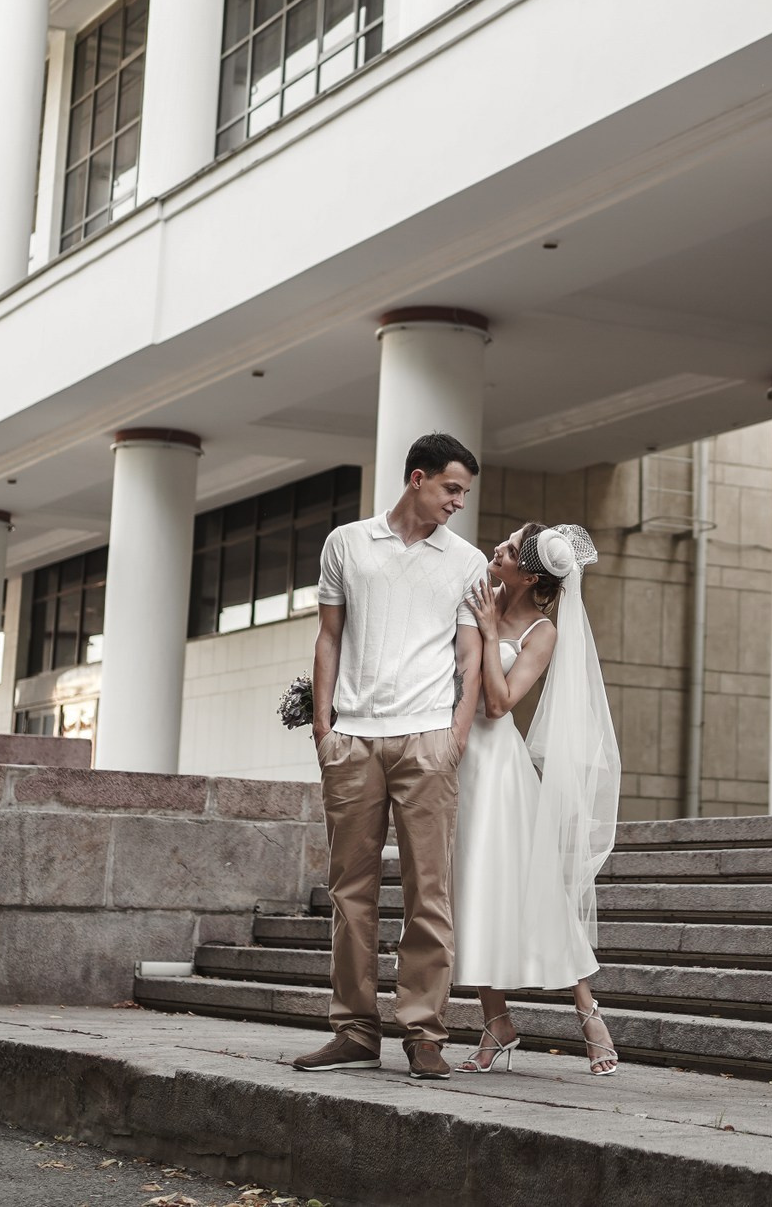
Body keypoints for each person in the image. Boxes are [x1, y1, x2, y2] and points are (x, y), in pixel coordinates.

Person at [291, 432, 486, 1080]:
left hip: (427, 738)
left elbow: (469, 653)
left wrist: (455, 733)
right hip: (354, 739)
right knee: (352, 892)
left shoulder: (466, 561)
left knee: (431, 891)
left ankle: (424, 1031)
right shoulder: (347, 543)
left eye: (464, 491)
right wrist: (324, 728)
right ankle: (353, 1028)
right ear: (418, 478)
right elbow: (329, 635)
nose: (459, 501)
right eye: (452, 488)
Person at [450, 521, 622, 1077]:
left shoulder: (542, 632)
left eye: (507, 548)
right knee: (467, 889)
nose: (495, 548)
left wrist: (482, 629)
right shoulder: (473, 592)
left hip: (499, 767)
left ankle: (589, 1015)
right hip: (454, 760)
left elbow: (500, 707)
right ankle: (496, 1023)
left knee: (536, 892)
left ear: (528, 572)